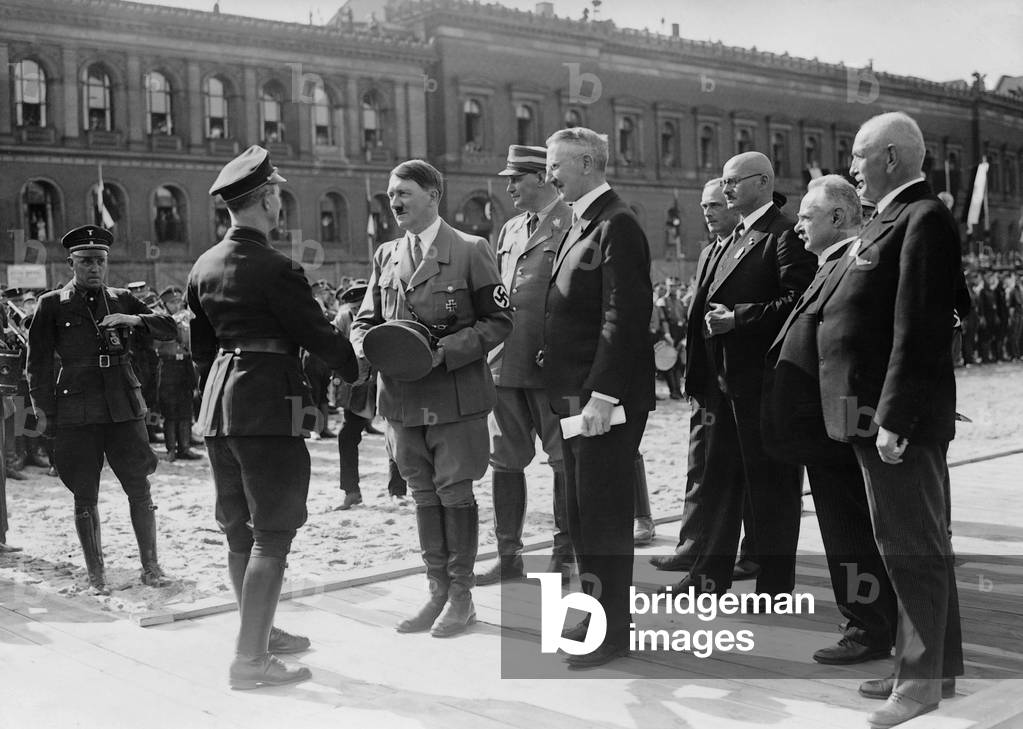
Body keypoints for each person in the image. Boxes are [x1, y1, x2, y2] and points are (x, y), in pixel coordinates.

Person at [188, 145, 359, 689]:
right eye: (277, 196)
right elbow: (319, 338)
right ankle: (250, 660)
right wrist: (351, 360)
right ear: (266, 200)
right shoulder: (278, 268)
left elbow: (201, 348)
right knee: (273, 534)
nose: (281, 204)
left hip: (219, 408)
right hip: (268, 407)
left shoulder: (203, 265)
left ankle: (255, 633)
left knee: (238, 530)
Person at [817, 112, 963, 728]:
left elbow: (922, 327)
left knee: (909, 546)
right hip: (870, 411)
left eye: (859, 154)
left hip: (894, 416)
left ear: (895, 158)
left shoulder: (923, 218)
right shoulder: (890, 219)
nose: (852, 167)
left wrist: (896, 417)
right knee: (910, 541)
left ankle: (920, 683)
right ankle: (931, 665)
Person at [350, 159, 512, 638]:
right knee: (422, 494)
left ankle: (462, 597)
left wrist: (443, 352)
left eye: (403, 193)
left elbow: (501, 321)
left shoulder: (470, 249)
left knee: (455, 491)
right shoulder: (385, 255)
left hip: (454, 396)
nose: (394, 202)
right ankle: (436, 591)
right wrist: (368, 347)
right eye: (390, 194)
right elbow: (365, 321)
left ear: (433, 196)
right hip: (400, 400)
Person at [661, 152, 816, 599]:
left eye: (733, 182)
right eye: (724, 183)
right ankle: (708, 578)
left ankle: (774, 587)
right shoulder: (734, 236)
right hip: (722, 386)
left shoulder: (784, 235)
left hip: (764, 387)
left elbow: (802, 302)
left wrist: (740, 318)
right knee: (721, 486)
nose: (725, 190)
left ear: (763, 182)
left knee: (772, 490)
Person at [762, 175, 898, 665]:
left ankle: (869, 628)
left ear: (837, 218)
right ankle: (865, 619)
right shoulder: (829, 265)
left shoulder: (857, 264)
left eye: (806, 216)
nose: (796, 225)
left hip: (842, 427)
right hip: (825, 427)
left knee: (851, 531)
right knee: (845, 529)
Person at [543, 127, 654, 669]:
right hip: (576, 400)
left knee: (604, 516)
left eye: (556, 165)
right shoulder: (585, 222)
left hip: (600, 404)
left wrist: (602, 397)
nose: (549, 175)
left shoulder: (619, 224)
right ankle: (595, 616)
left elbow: (623, 318)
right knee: (583, 514)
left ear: (587, 162)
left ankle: (611, 632)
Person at [26, 226, 178, 593]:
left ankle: (151, 566)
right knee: (84, 492)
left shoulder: (123, 299)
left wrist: (134, 320)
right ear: (71, 263)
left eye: (100, 261)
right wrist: (45, 414)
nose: (94, 268)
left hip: (123, 407)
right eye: (86, 262)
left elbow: (169, 328)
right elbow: (38, 365)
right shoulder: (51, 304)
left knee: (139, 487)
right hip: (76, 408)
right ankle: (96, 572)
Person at [474, 144, 574, 586]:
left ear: (542, 177)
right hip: (505, 363)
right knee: (505, 462)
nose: (508, 186)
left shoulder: (573, 222)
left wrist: (560, 346)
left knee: (563, 462)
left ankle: (565, 553)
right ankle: (509, 555)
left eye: (516, 178)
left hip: (551, 365)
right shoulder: (511, 228)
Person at [154, 286, 200, 462]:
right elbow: (155, 344)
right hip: (168, 365)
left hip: (185, 365)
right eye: (172, 302)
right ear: (164, 304)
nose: (177, 305)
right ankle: (171, 449)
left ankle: (185, 448)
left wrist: (188, 325)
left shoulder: (186, 319)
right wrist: (172, 324)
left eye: (178, 301)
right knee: (170, 412)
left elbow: (192, 342)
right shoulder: (160, 319)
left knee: (186, 410)